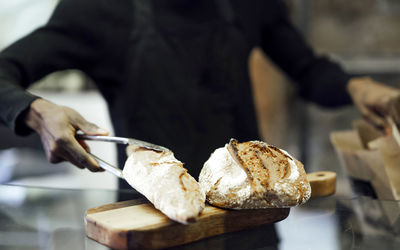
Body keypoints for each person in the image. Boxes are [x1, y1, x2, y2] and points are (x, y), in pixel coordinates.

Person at [0, 0, 399, 189]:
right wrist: (35, 111)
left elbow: (307, 71)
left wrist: (355, 86)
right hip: (151, 223)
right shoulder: (97, 10)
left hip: (249, 219)